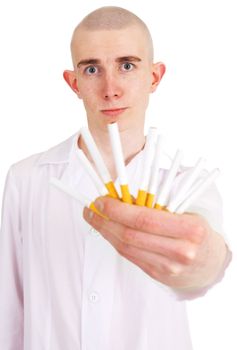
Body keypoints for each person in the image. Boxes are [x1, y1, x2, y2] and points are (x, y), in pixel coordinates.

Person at [0, 6, 231, 350]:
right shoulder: (27, 178)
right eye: (92, 69)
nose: (110, 89)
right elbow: (9, 309)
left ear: (154, 77)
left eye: (127, 65)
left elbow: (206, 268)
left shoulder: (187, 181)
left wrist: (202, 261)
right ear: (73, 82)